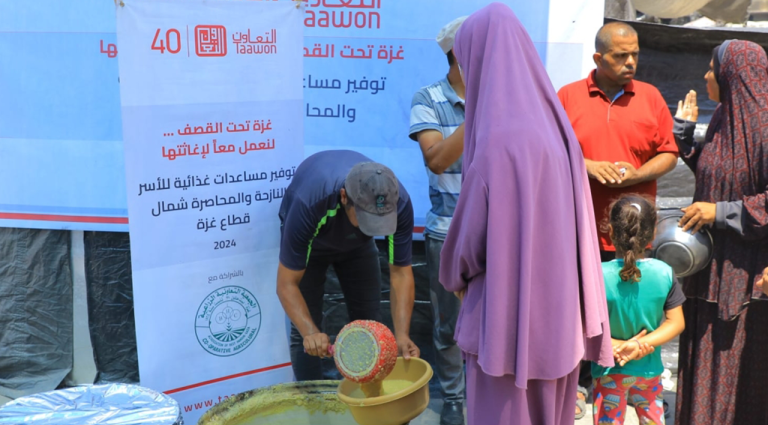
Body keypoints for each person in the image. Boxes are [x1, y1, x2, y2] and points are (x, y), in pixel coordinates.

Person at [438, 4, 614, 424]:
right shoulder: (557, 128)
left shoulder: (495, 141)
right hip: (561, 321)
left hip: (505, 322)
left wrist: (452, 276)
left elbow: (464, 250)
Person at [557, 22, 679, 417]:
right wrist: (587, 166)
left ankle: (633, 381)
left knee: (628, 309)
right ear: (597, 58)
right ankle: (575, 385)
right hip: (579, 229)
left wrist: (638, 175)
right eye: (620, 56)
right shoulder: (568, 96)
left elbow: (668, 153)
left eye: (636, 55)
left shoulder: (651, 97)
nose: (631, 63)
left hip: (631, 236)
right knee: (576, 308)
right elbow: (551, 151)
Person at [672, 40, 768, 425]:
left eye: (712, 68)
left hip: (744, 277)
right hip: (709, 271)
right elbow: (719, 178)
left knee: (734, 369)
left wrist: (720, 212)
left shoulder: (764, 125)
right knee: (702, 360)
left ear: (731, 74)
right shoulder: (725, 118)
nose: (707, 75)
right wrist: (685, 140)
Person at [275, 150, 420, 381]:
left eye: (381, 222)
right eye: (368, 220)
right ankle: (313, 408)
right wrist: (310, 332)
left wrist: (402, 335)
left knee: (371, 325)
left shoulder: (399, 202)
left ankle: (366, 403)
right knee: (308, 334)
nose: (374, 228)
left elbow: (401, 274)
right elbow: (286, 284)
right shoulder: (310, 202)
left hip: (358, 248)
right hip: (312, 248)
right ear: (344, 197)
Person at [408, 16, 467, 425]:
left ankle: (490, 393)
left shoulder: (506, 96)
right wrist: (481, 109)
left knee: (498, 321)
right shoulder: (427, 98)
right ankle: (453, 399)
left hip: (499, 235)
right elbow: (437, 157)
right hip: (447, 233)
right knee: (448, 326)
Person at [591, 194, 686, 425]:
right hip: (649, 371)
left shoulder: (595, 275)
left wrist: (616, 346)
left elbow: (581, 326)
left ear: (610, 232)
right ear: (653, 234)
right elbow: (676, 323)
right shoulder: (665, 272)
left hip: (608, 372)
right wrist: (641, 345)